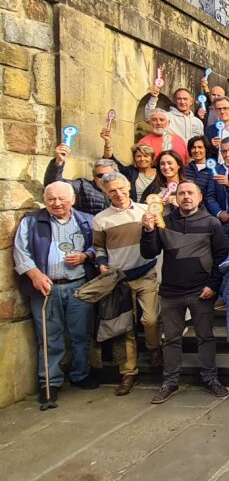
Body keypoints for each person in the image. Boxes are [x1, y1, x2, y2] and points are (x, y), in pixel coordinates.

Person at [140, 181, 229, 404]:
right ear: (175, 197)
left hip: (201, 292)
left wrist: (213, 286)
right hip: (171, 293)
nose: (186, 197)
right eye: (181, 193)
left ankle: (210, 378)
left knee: (206, 338)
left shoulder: (212, 223)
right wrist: (148, 231)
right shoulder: (164, 222)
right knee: (170, 339)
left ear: (200, 197)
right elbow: (149, 252)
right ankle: (169, 381)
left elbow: (221, 256)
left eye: (191, 193)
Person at [13, 182, 98, 408]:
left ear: (73, 200)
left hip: (78, 286)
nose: (57, 203)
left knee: (81, 335)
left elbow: (99, 247)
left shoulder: (87, 220)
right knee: (49, 338)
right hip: (46, 288)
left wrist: (85, 256)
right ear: (45, 200)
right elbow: (21, 252)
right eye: (51, 199)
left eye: (62, 199)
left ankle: (80, 374)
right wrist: (34, 275)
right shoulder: (31, 221)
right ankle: (49, 383)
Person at [92, 173, 161, 395]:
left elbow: (159, 237)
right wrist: (101, 262)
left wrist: (150, 228)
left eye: (121, 189)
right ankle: (128, 373)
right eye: (112, 190)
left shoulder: (145, 211)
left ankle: (154, 348)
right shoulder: (101, 219)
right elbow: (98, 247)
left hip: (145, 273)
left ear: (129, 186)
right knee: (124, 329)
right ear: (105, 192)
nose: (118, 194)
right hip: (119, 279)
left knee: (150, 318)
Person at [43, 146, 114, 215]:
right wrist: (59, 161)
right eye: (100, 175)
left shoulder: (122, 190)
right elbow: (53, 184)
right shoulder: (83, 185)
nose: (105, 178)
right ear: (94, 176)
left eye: (109, 175)